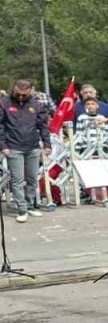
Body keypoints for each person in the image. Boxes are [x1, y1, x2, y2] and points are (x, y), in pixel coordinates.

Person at [1, 79, 51, 223]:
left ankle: (30, 205)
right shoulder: (4, 103)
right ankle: (21, 209)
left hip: (33, 146)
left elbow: (43, 126)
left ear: (31, 91)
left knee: (32, 178)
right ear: (14, 89)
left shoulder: (37, 104)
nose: (21, 97)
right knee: (17, 179)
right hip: (13, 147)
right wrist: (3, 146)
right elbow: (0, 126)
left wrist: (47, 144)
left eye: (25, 94)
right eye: (18, 94)